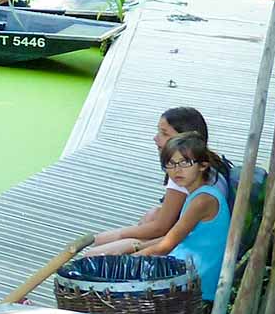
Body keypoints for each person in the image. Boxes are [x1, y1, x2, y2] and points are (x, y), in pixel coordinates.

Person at [82, 107, 210, 256]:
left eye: (164, 133)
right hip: (183, 237)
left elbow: (163, 231)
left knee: (93, 254)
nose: (155, 138)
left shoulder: (186, 179)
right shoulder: (198, 166)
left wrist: (129, 246)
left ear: (184, 139)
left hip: (187, 251)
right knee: (153, 214)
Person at [136, 132, 235, 303]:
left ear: (202, 165)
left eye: (185, 163)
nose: (177, 170)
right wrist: (136, 248)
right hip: (186, 270)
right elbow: (173, 239)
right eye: (171, 164)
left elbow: (165, 246)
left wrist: (126, 260)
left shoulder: (202, 200)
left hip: (196, 282)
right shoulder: (197, 195)